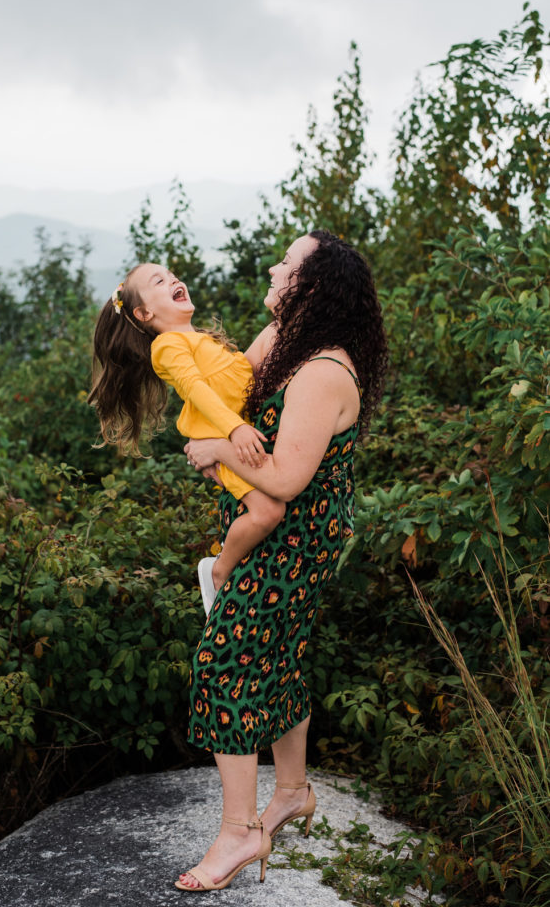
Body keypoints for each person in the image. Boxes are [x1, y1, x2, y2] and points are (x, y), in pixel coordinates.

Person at [175, 229, 388, 892]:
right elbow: (228, 392)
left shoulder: (323, 371)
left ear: (314, 286)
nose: (272, 267)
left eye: (286, 263)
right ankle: (290, 791)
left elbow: (289, 477)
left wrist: (216, 453)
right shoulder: (279, 343)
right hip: (273, 523)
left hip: (296, 534)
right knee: (281, 649)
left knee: (227, 660)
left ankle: (241, 830)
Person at [87, 263, 286, 611]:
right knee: (268, 512)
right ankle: (218, 572)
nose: (173, 280)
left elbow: (242, 372)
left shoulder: (203, 340)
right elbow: (195, 388)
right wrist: (234, 429)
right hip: (223, 438)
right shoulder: (166, 346)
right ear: (145, 312)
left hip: (235, 433)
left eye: (172, 275)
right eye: (159, 281)